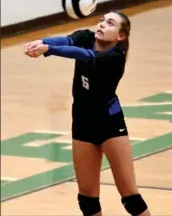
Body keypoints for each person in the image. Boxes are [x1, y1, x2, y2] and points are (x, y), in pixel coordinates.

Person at [24, 11, 151, 216]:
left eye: (110, 23)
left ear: (121, 36)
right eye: (101, 20)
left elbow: (83, 54)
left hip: (109, 124)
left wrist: (48, 49)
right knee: (87, 199)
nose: (102, 24)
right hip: (82, 123)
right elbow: (66, 40)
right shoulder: (86, 37)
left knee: (130, 197)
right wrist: (40, 41)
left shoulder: (115, 57)